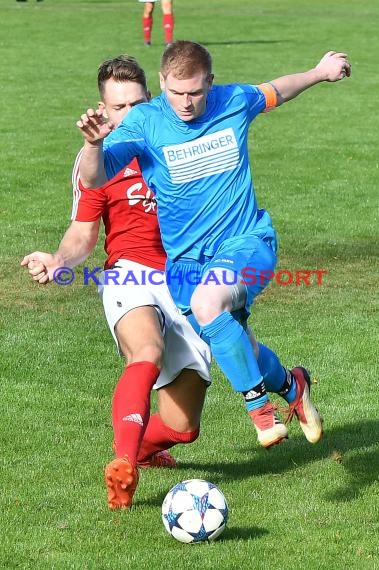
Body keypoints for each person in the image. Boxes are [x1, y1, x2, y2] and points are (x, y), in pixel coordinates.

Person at [77, 42, 346, 453]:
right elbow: (95, 179)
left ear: (210, 83)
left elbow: (278, 88)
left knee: (208, 304)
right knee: (235, 340)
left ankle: (261, 412)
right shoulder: (145, 123)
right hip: (186, 266)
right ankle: (293, 386)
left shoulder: (233, 101)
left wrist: (318, 71)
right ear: (162, 82)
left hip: (247, 244)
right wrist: (94, 145)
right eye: (177, 92)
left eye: (196, 92)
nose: (186, 103)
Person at [21, 55, 212, 510]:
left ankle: (142, 450)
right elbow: (84, 231)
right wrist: (61, 260)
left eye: (137, 103)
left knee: (183, 428)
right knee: (145, 350)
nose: (129, 115)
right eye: (118, 107)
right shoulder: (98, 160)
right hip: (128, 273)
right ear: (102, 111)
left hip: (186, 279)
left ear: (152, 99)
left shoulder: (180, 141)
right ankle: (123, 468)